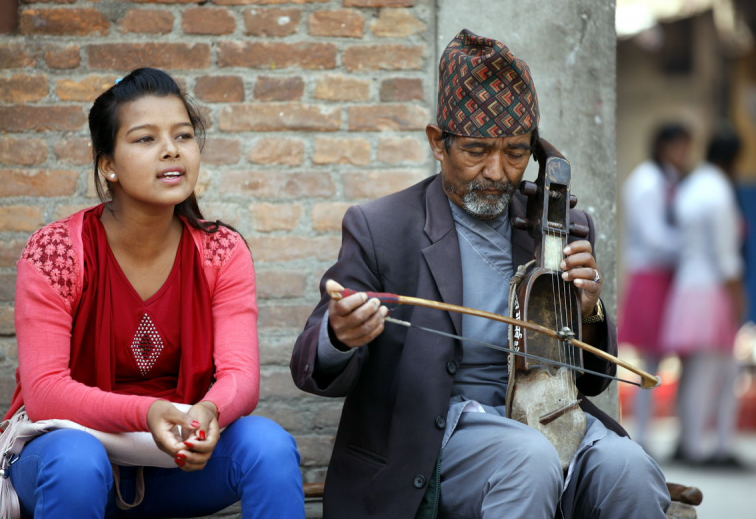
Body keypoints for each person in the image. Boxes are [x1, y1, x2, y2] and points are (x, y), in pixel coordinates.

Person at [290, 30, 670, 519]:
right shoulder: (383, 227)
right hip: (441, 436)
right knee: (527, 460)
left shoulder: (559, 226)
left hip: (548, 417)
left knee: (630, 469)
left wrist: (588, 309)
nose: (496, 171)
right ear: (437, 142)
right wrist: (339, 334)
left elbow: (593, 380)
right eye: (476, 151)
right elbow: (310, 362)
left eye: (515, 152)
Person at [4, 68, 305, 518]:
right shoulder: (58, 252)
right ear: (108, 164)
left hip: (180, 464)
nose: (171, 150)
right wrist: (147, 413)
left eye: (183, 135)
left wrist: (209, 411)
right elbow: (45, 392)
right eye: (145, 139)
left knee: (269, 446)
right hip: (70, 465)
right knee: (76, 462)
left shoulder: (221, 251)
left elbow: (241, 376)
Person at [662, 126, 747, 467]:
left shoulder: (692, 186)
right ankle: (707, 446)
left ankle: (692, 441)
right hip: (711, 289)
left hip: (687, 285)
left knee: (696, 370)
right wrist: (739, 299)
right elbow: (727, 258)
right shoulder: (719, 192)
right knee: (713, 371)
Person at [619, 123, 692, 448]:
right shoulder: (647, 183)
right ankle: (643, 435)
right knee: (649, 363)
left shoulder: (668, 180)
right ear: (663, 146)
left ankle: (665, 434)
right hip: (651, 276)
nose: (685, 155)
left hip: (667, 276)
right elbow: (654, 239)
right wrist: (692, 246)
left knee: (664, 361)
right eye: (680, 147)